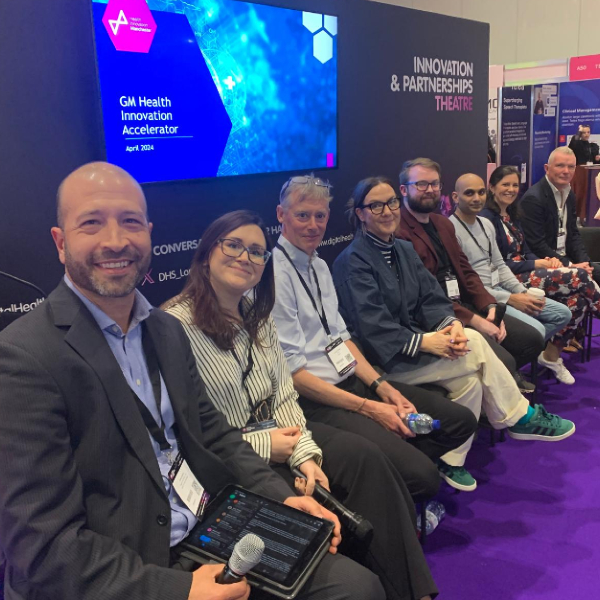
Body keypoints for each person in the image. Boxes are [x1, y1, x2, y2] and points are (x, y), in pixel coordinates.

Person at [0, 162, 386, 600]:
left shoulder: (163, 330)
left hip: (209, 526)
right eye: (91, 223)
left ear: (148, 233)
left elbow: (212, 433)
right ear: (60, 241)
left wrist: (279, 498)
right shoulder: (24, 357)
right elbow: (43, 547)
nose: (115, 240)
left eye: (129, 222)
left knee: (356, 587)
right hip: (129, 565)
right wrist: (177, 590)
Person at [164, 210, 439, 600]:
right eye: (234, 245)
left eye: (257, 251)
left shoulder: (258, 316)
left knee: (365, 460)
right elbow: (190, 429)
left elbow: (284, 395)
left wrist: (305, 455)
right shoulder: (173, 327)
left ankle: (414, 592)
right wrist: (265, 445)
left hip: (289, 437)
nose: (246, 257)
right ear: (207, 253)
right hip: (232, 459)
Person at [332, 175, 576, 492]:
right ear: (360, 213)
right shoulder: (352, 261)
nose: (388, 210)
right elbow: (371, 327)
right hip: (384, 361)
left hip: (416, 347)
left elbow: (432, 299)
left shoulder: (403, 250)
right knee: (475, 343)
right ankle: (519, 415)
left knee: (470, 377)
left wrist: (450, 326)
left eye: (391, 202)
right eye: (375, 205)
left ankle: (451, 459)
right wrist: (426, 341)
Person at [270, 175, 477, 496]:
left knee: (459, 421)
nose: (313, 225)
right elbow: (294, 375)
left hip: (352, 380)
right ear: (281, 215)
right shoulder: (274, 275)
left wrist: (382, 388)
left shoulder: (319, 265)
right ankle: (400, 490)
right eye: (302, 215)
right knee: (422, 475)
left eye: (320, 216)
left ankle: (396, 487)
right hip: (316, 401)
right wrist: (369, 408)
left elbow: (342, 339)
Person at [395, 158, 543, 391]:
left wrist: (490, 307)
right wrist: (476, 321)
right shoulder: (398, 232)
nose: (430, 190)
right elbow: (426, 294)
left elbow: (466, 271)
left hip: (466, 303)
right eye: (421, 184)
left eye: (434, 184)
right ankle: (500, 393)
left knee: (531, 340)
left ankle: (499, 389)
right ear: (404, 190)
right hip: (437, 316)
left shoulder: (442, 224)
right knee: (505, 360)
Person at [450, 173, 574, 384]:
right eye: (469, 193)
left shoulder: (486, 224)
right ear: (455, 197)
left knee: (563, 313)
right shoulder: (450, 229)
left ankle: (517, 361)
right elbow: (467, 283)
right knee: (537, 330)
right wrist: (510, 299)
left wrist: (521, 292)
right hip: (483, 299)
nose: (476, 198)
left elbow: (499, 265)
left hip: (503, 289)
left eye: (480, 192)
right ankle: (508, 372)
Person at [481, 164, 600, 363]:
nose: (511, 189)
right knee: (580, 275)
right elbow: (499, 265)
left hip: (528, 272)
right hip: (509, 280)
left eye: (515, 185)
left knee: (577, 302)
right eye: (505, 184)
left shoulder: (513, 214)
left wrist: (543, 261)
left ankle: (550, 355)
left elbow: (525, 249)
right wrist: (535, 265)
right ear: (492, 187)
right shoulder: (486, 219)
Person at [520, 147, 600, 287]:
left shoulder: (569, 194)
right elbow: (537, 245)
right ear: (547, 168)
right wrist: (571, 265)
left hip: (567, 257)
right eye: (560, 166)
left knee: (594, 272)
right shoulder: (534, 198)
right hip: (547, 263)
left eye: (571, 167)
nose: (566, 171)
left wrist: (585, 263)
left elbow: (573, 234)